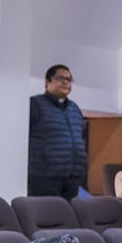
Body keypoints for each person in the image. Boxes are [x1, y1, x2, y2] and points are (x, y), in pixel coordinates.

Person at [28, 64, 86, 199]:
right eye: (60, 78)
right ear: (47, 82)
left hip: (72, 178)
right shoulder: (35, 104)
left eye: (69, 79)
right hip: (44, 178)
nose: (65, 82)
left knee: (69, 212)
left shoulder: (74, 109)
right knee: (46, 212)